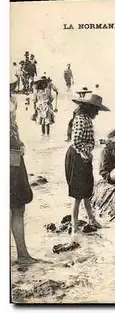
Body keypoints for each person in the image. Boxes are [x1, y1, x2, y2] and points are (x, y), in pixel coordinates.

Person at [10, 77, 44, 264]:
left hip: (13, 157)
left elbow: (14, 130)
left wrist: (19, 142)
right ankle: (22, 255)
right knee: (17, 207)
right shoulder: (9, 103)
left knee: (16, 208)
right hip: (11, 161)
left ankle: (22, 255)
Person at [65, 94, 110, 236]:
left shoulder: (86, 119)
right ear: (89, 108)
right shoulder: (80, 119)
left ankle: (91, 219)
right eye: (96, 110)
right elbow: (77, 141)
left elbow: (86, 141)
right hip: (77, 157)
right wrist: (87, 153)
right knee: (78, 194)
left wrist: (96, 144)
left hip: (83, 157)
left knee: (86, 191)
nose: (97, 113)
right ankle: (74, 226)